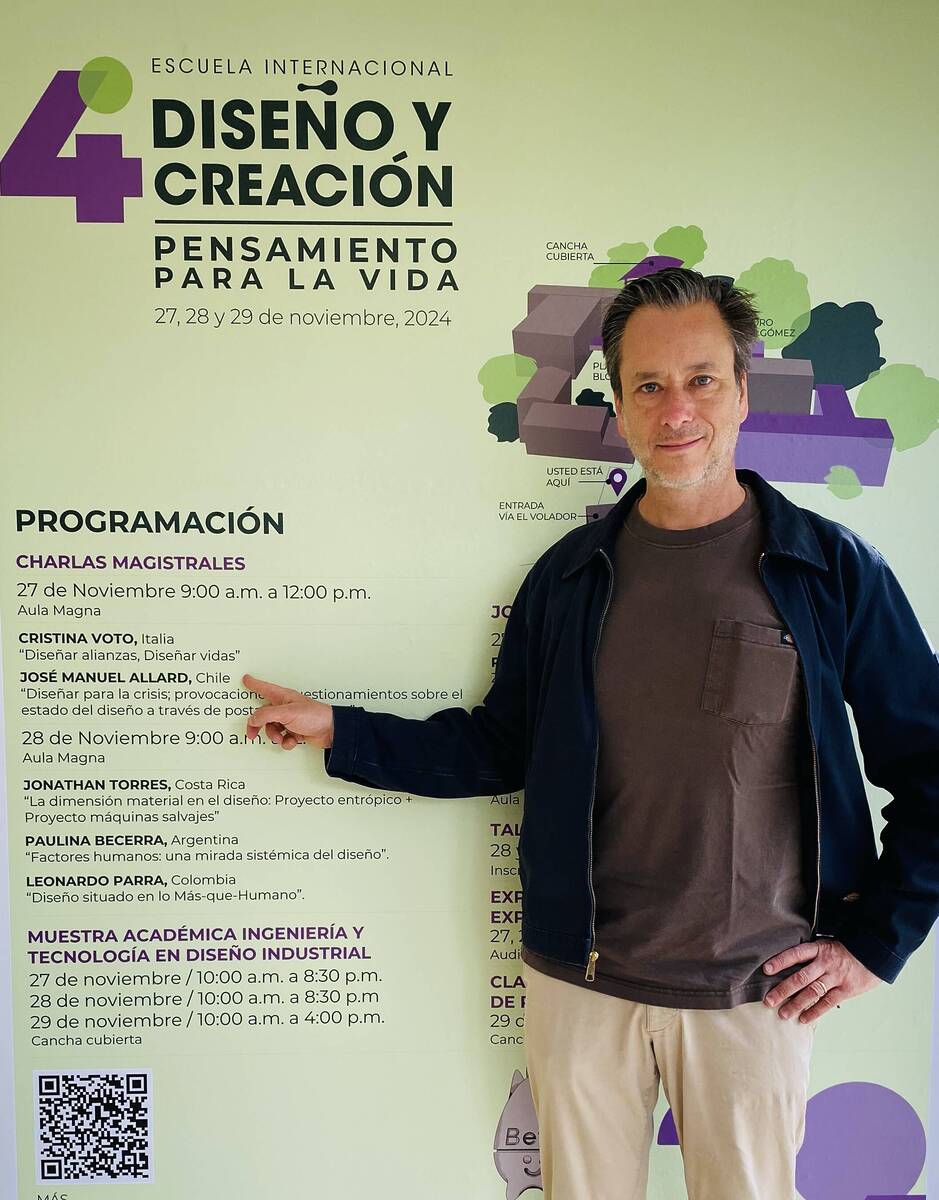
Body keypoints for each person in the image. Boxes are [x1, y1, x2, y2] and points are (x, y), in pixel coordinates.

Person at [242, 267, 939, 1200]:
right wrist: (340, 729)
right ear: (618, 405)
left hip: (754, 992)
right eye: (647, 385)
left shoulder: (831, 570)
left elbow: (930, 764)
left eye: (700, 379)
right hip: (580, 984)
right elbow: (500, 746)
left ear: (741, 392)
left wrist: (875, 943)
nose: (674, 408)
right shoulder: (569, 577)